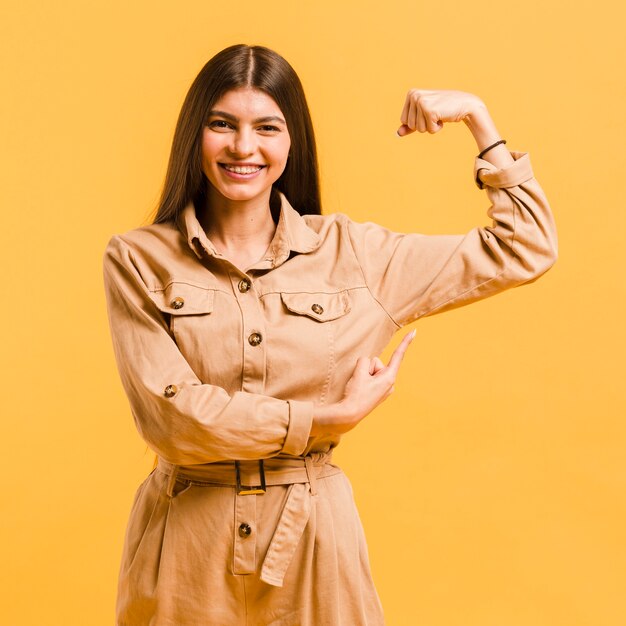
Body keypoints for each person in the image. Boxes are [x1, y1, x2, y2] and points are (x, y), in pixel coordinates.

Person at [102, 43, 557, 625]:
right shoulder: (139, 259)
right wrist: (320, 423)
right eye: (223, 125)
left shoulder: (354, 257)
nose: (244, 147)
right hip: (184, 550)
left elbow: (525, 247)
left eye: (267, 127)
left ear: (292, 142)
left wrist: (478, 120)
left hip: (315, 544)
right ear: (197, 134)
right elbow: (174, 420)